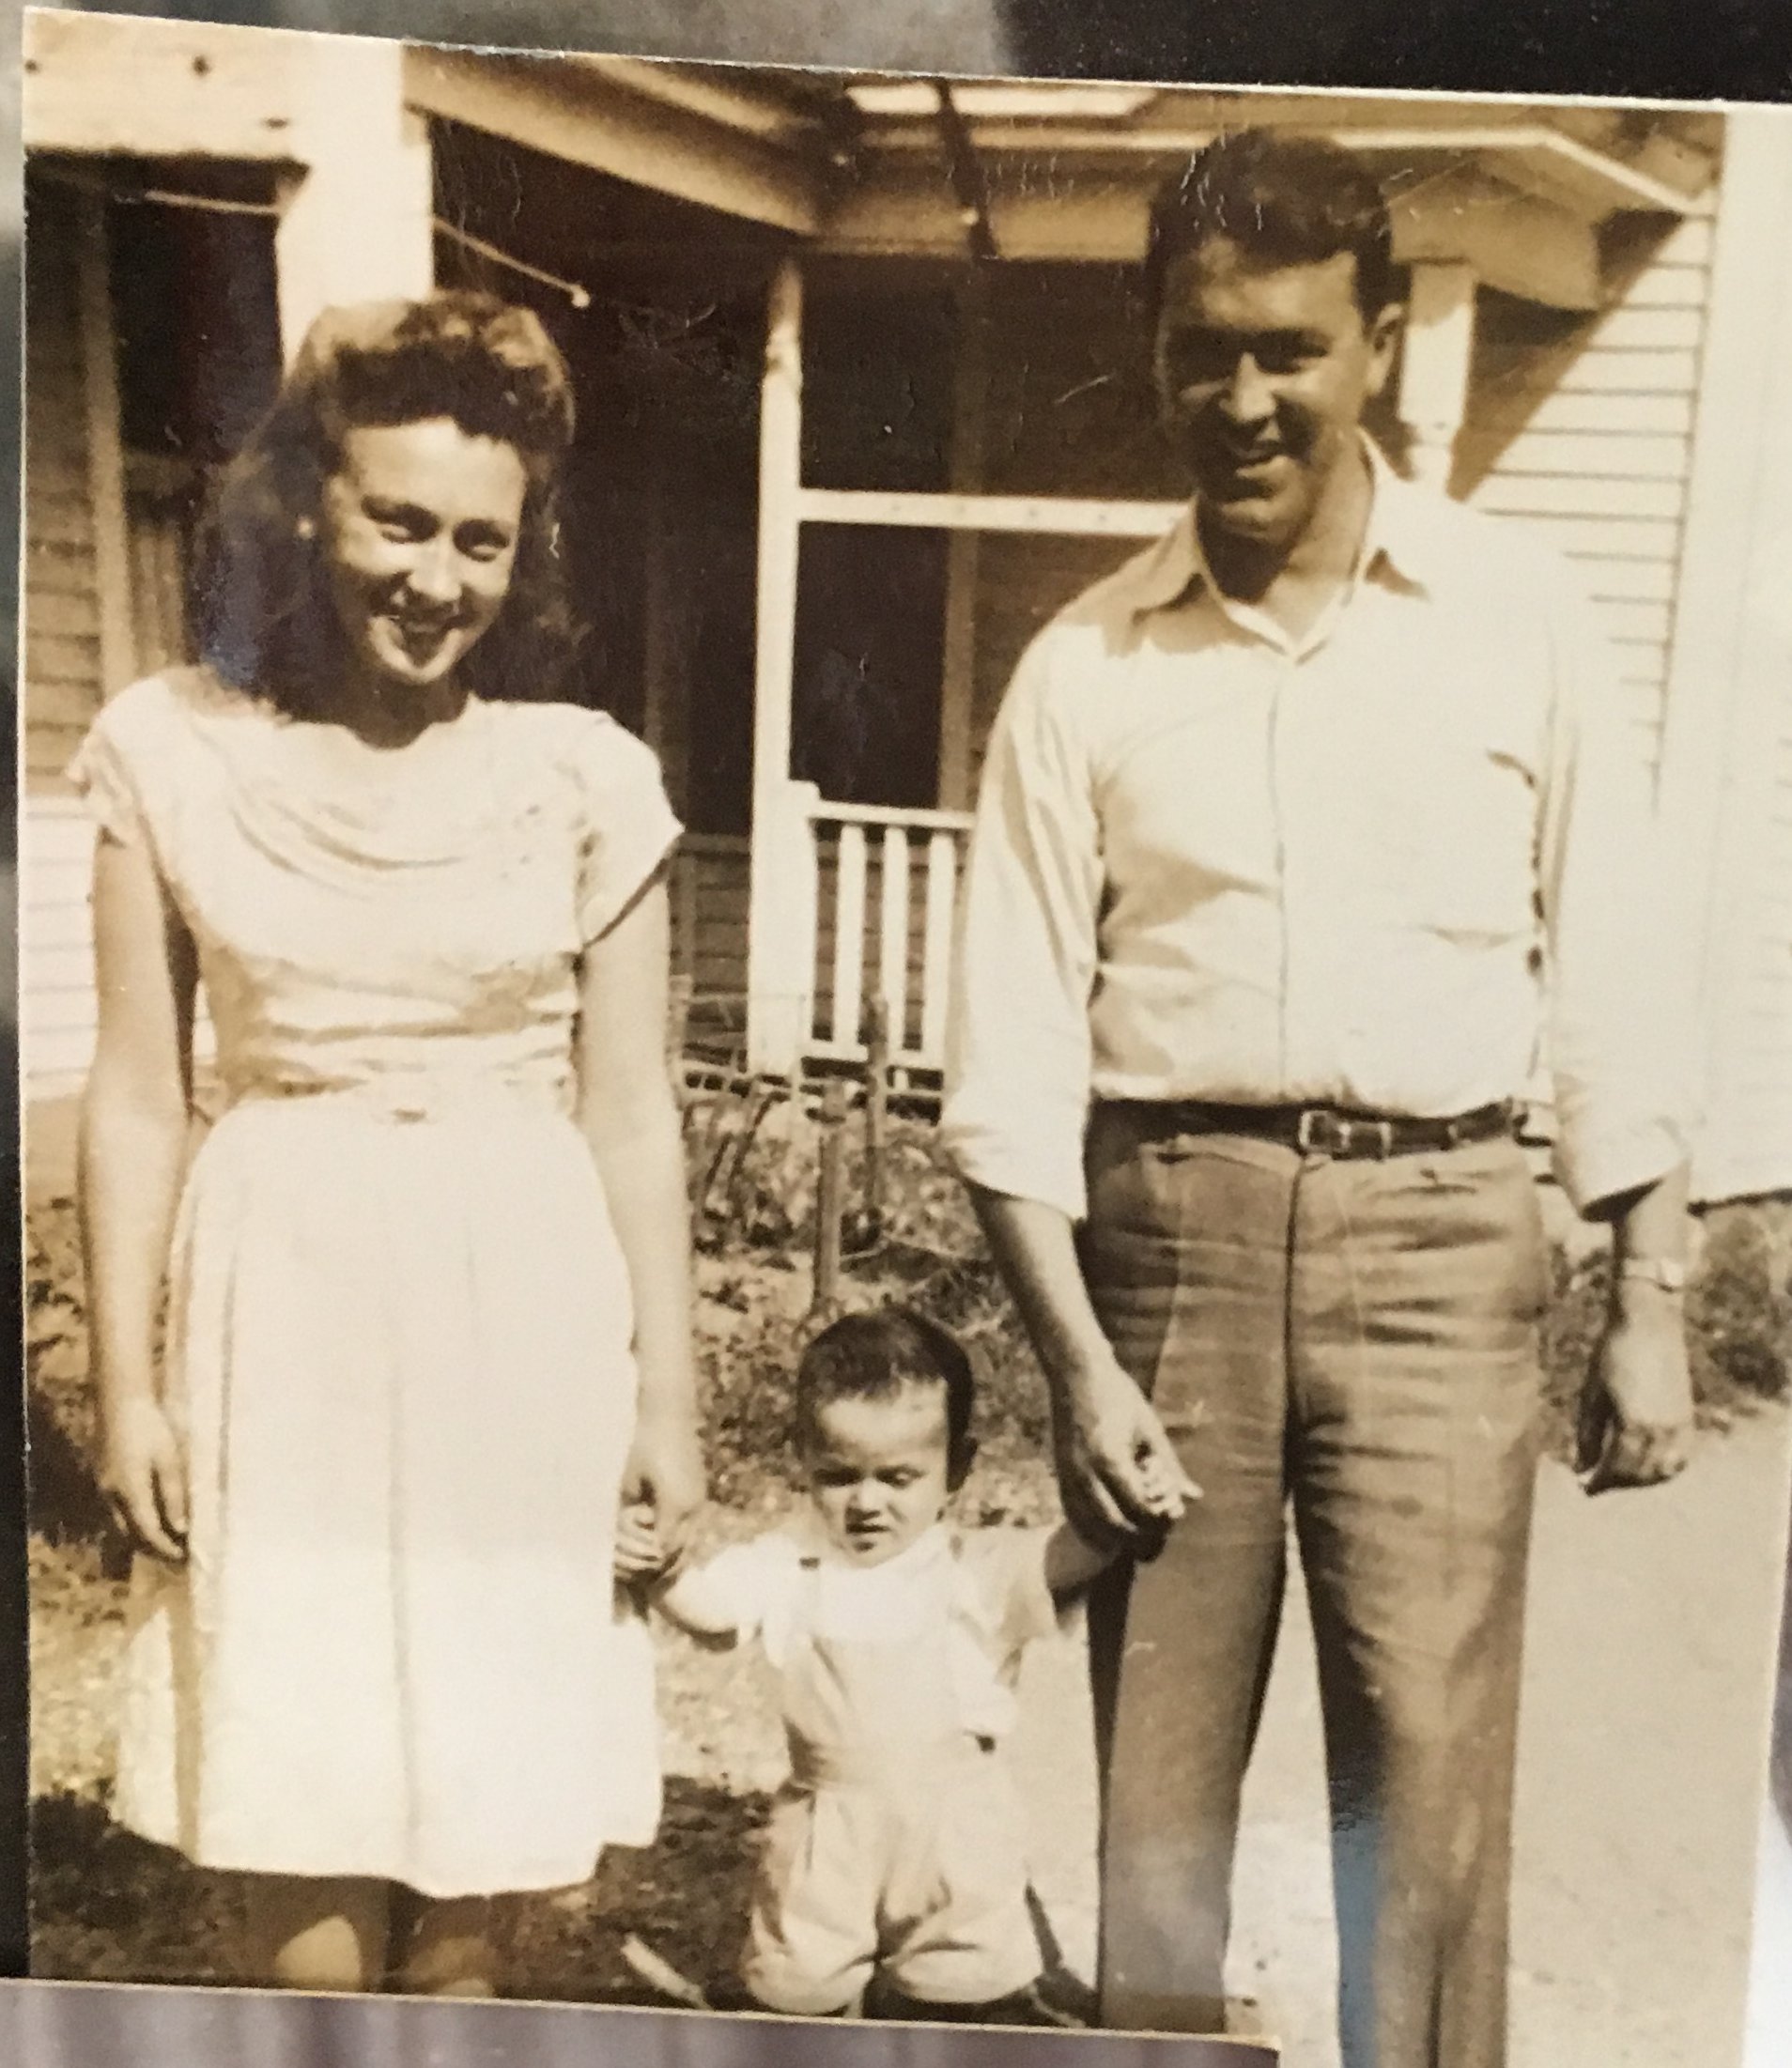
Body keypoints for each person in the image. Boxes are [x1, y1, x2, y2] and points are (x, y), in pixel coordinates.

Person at [941, 129, 1696, 2068]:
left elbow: (1614, 951)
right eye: (1203, 351)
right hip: (1167, 1237)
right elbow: (1009, 1057)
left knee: (1427, 1789)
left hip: (1443, 1238)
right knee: (1158, 1795)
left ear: (1374, 343)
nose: (1244, 398)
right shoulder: (1085, 667)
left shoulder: (1517, 615)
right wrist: (1075, 1369)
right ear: (1154, 350)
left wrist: (1649, 1293)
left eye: (1287, 349)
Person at [74, 293, 704, 1996]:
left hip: (518, 1314)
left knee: (479, 1864)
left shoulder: (581, 778)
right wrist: (127, 1390)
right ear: (307, 506)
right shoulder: (169, 750)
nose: (438, 578)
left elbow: (628, 1111)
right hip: (281, 1310)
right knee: (302, 1840)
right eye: (400, 522)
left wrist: (663, 1405)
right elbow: (136, 1091)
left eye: (480, 540)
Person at [628, 1305, 1151, 2022]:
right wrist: (658, 1571)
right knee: (800, 1997)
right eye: (839, 1475)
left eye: (899, 1478)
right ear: (803, 1460)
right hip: (825, 1832)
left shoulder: (976, 1570)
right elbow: (713, 1613)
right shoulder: (793, 1562)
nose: (867, 1503)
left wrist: (1127, 1497)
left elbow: (1073, 1557)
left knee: (961, 1996)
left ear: (956, 1468)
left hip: (951, 1837)